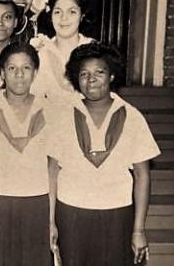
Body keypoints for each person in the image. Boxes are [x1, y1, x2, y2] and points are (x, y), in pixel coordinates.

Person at [49, 42, 160, 266]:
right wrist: (51, 221)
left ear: (111, 76)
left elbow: (142, 176)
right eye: (84, 74)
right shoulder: (62, 116)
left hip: (117, 213)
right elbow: (52, 171)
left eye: (99, 72)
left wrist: (138, 230)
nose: (91, 80)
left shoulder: (132, 117)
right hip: (71, 211)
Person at [0, 43, 55, 266]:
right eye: (12, 68)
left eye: (26, 68)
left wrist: (51, 219)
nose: (19, 75)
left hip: (38, 204)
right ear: (2, 73)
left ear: (35, 72)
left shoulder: (50, 109)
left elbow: (53, 169)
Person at [30, 0, 94, 104]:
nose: (64, 18)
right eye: (58, 12)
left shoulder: (93, 50)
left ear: (82, 16)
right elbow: (34, 98)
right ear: (51, 15)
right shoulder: (42, 52)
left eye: (72, 12)